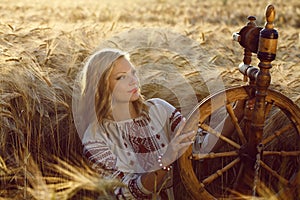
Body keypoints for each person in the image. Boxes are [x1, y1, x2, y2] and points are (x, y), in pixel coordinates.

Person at [72, 48, 247, 199]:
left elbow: (200, 146)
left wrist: (236, 113)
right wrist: (165, 160)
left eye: (133, 72)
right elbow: (123, 193)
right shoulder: (95, 138)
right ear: (101, 86)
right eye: (121, 77)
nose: (133, 80)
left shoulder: (159, 110)